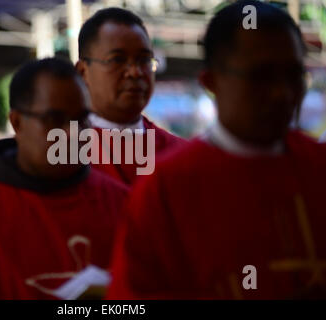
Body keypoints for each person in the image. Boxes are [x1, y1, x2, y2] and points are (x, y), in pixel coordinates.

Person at [108, 0, 326, 299]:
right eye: (261, 76)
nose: (281, 93)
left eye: (293, 75)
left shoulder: (318, 167)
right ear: (211, 81)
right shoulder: (167, 190)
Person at [0, 58, 129, 299]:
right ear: (17, 122)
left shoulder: (121, 202)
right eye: (55, 120)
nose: (73, 134)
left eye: (81, 120)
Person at [76, 7, 186, 185]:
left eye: (143, 60)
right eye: (117, 60)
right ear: (83, 72)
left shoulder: (180, 154)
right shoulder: (60, 153)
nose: (135, 72)